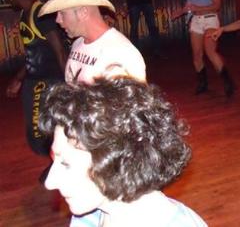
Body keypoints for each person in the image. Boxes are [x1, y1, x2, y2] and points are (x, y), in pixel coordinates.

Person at [40, 77, 207, 227]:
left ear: (120, 162)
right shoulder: (88, 215)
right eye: (55, 158)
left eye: (66, 164)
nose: (50, 182)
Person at [1, 0, 67, 156]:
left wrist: (69, 83)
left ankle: (55, 162)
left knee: (40, 132)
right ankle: (53, 161)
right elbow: (33, 51)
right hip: (34, 80)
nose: (7, 1)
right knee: (36, 131)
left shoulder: (40, 14)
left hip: (46, 82)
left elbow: (60, 51)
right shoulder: (25, 14)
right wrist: (18, 78)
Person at [39, 0, 146, 83]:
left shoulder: (120, 55)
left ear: (83, 12)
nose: (58, 20)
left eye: (62, 13)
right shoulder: (78, 43)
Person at [172, 0, 235, 96]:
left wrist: (199, 8)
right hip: (196, 20)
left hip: (210, 19)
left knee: (210, 51)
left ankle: (227, 81)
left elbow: (217, 5)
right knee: (197, 54)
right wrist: (180, 12)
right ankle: (203, 83)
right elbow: (190, 6)